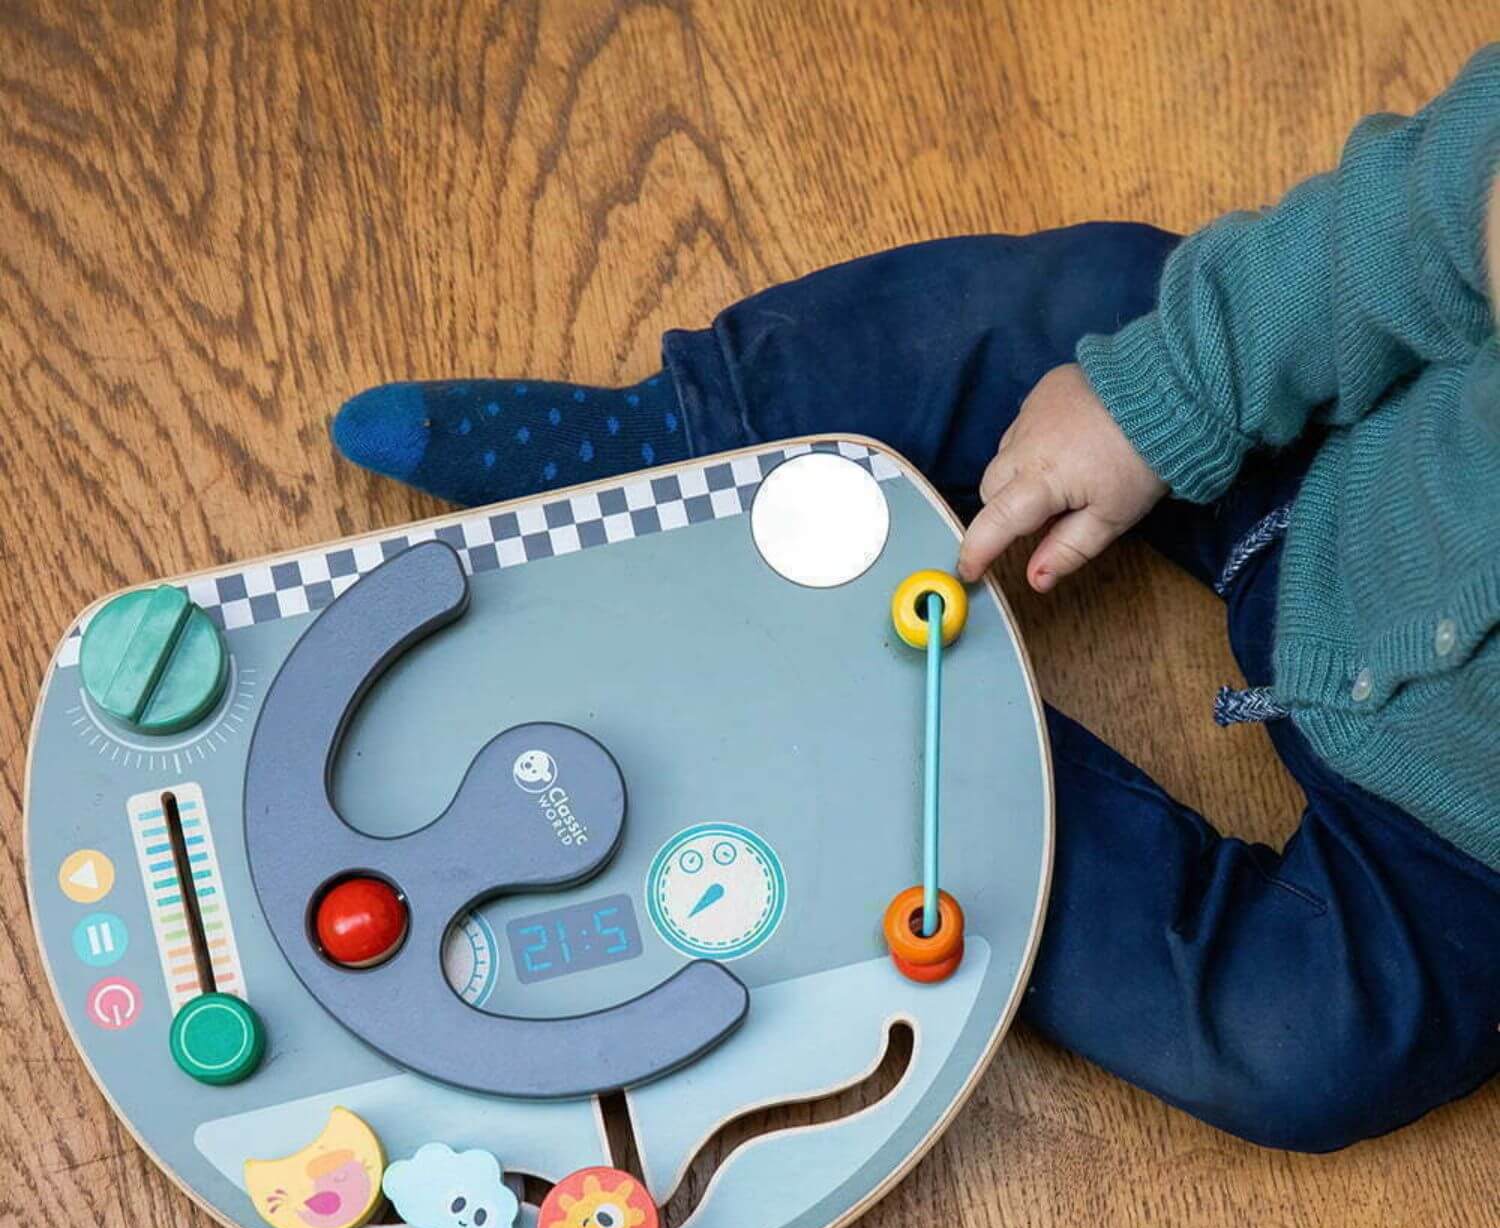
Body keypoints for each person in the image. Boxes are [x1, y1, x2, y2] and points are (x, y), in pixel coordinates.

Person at [331, 48, 1500, 1152]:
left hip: (1451, 855)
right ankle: (681, 440)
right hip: (1354, 460)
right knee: (1094, 306)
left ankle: (904, 780)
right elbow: (1408, 223)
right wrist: (1161, 395)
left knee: (1295, 1046)